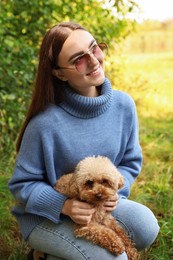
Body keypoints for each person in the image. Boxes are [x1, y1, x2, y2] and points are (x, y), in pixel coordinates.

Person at [8, 21, 159, 260]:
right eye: (78, 58)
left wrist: (114, 194)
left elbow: (130, 162)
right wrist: (63, 205)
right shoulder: (44, 123)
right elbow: (22, 185)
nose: (93, 60)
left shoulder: (124, 106)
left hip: (99, 207)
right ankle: (46, 252)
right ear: (59, 73)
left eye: (94, 48)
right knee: (116, 258)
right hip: (47, 216)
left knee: (146, 225)